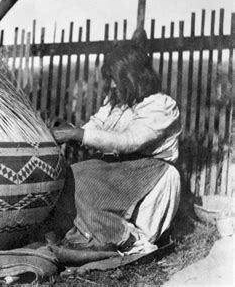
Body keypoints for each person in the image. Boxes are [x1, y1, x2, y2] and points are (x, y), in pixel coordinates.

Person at [51, 42, 181, 253]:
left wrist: (78, 134)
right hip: (119, 170)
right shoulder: (115, 104)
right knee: (72, 175)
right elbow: (95, 127)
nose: (111, 85)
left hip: (150, 173)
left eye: (115, 78)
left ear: (134, 76)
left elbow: (129, 141)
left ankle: (127, 237)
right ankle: (94, 235)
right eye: (109, 79)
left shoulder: (160, 106)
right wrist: (71, 130)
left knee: (82, 181)